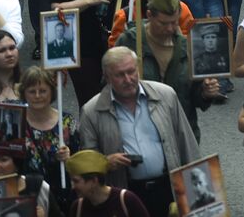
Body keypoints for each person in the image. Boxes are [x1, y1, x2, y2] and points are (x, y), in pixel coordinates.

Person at [76, 46, 200, 217]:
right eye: (120, 75)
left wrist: (201, 196)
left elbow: (187, 145)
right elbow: (87, 164)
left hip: (168, 189)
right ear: (107, 77)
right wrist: (104, 163)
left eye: (131, 71)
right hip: (126, 196)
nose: (128, 79)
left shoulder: (165, 95)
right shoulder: (91, 111)